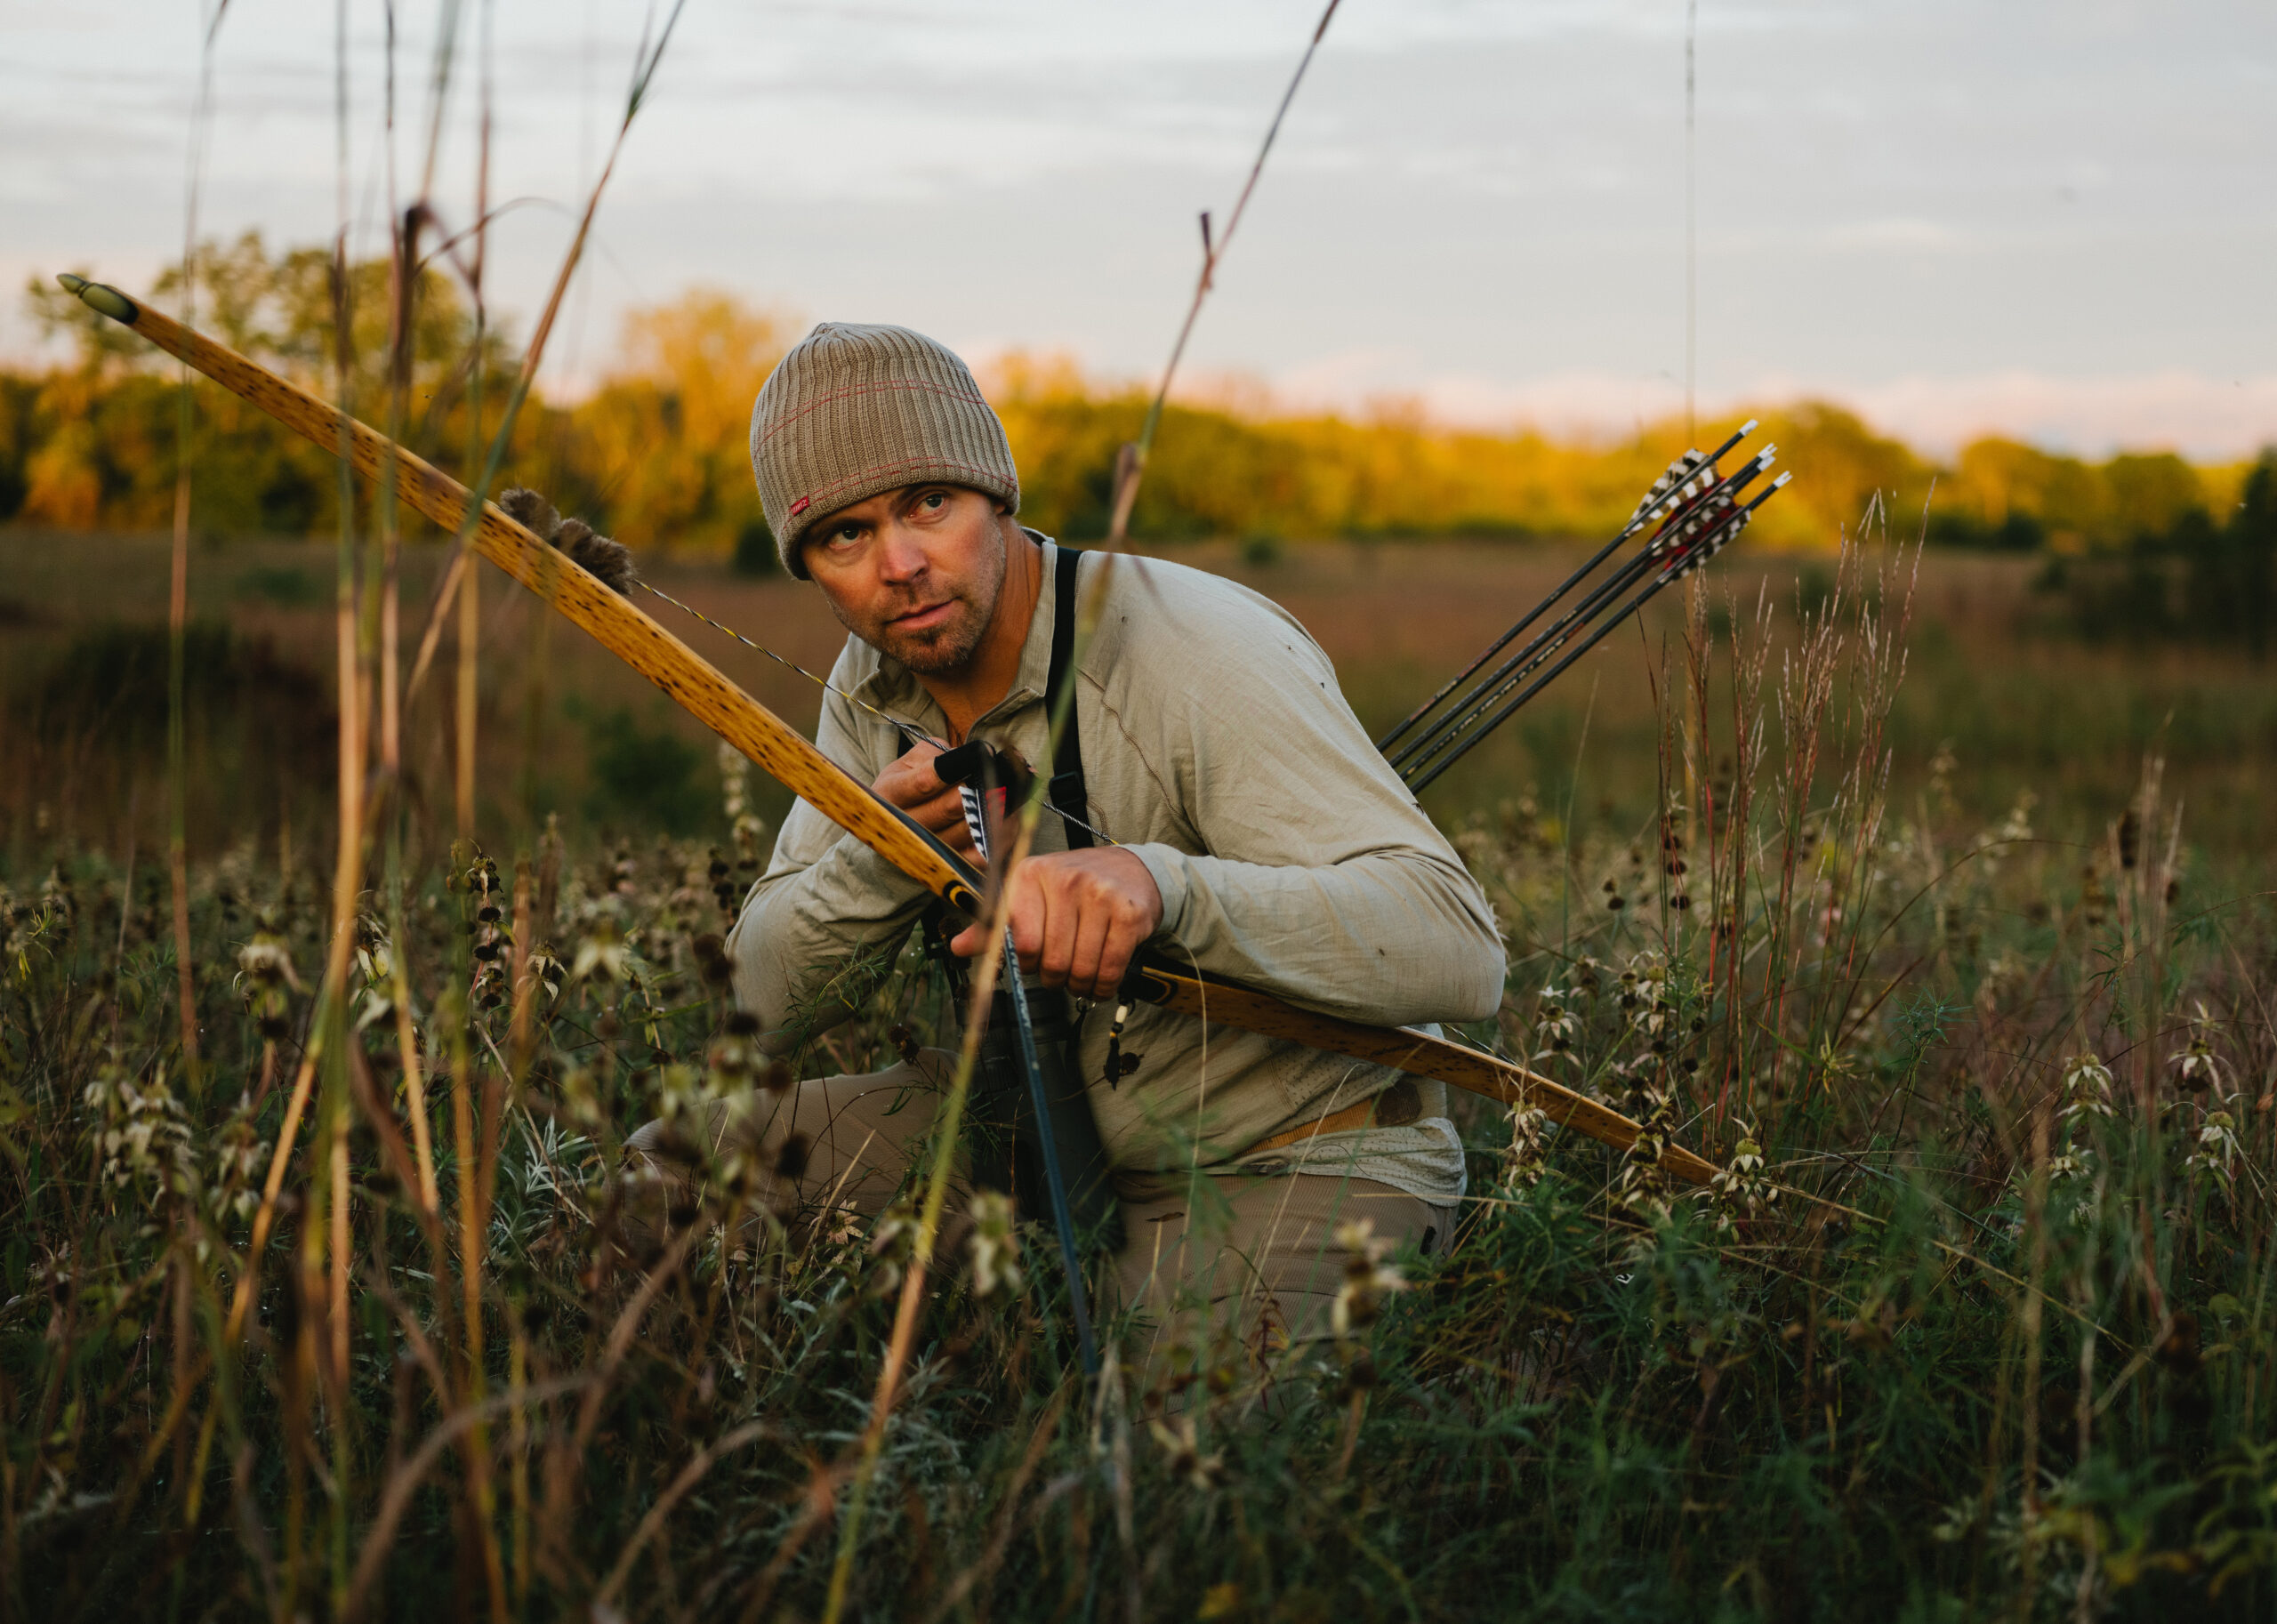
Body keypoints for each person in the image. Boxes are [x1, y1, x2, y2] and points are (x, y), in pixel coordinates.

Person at [624, 320, 1505, 1361]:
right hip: (1022, 1131)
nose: (900, 565)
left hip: (1290, 1153)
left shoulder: (1192, 646)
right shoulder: (870, 693)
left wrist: (1161, 888)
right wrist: (878, 857)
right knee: (671, 1175)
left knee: (1128, 1464)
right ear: (809, 565)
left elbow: (1459, 946)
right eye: (845, 536)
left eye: (928, 503)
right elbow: (752, 1013)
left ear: (998, 496)